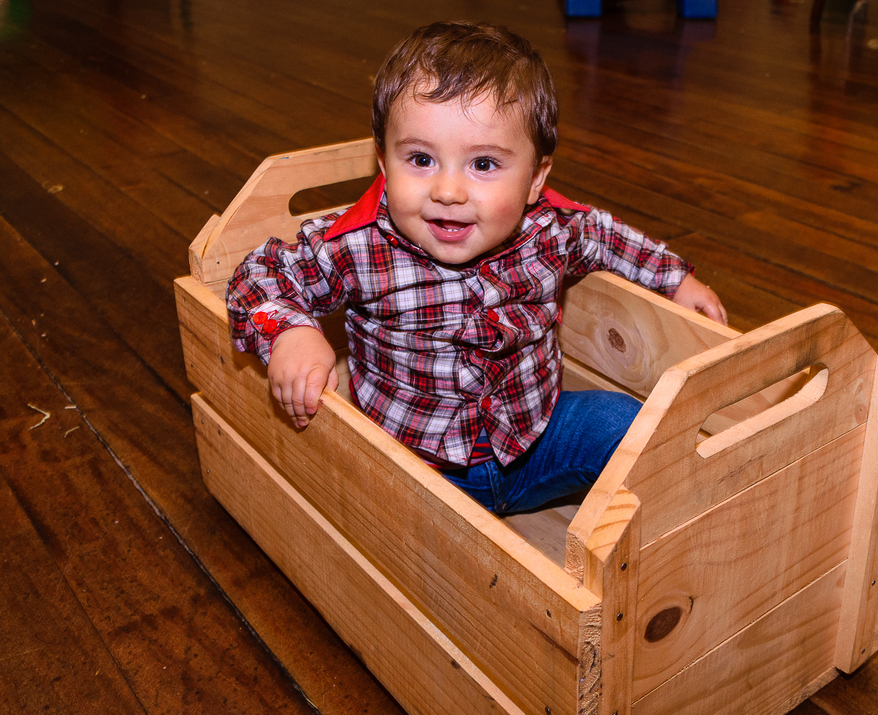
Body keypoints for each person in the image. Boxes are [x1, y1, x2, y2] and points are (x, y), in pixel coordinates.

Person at [226, 21, 725, 514]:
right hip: (418, 473)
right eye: (420, 159)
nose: (448, 191)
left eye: (483, 165)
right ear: (383, 162)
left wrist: (676, 279)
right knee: (392, 520)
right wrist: (289, 331)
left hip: (535, 446)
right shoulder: (359, 246)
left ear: (535, 178)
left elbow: (605, 235)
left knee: (626, 424)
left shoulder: (548, 228)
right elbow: (259, 276)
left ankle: (682, 533)